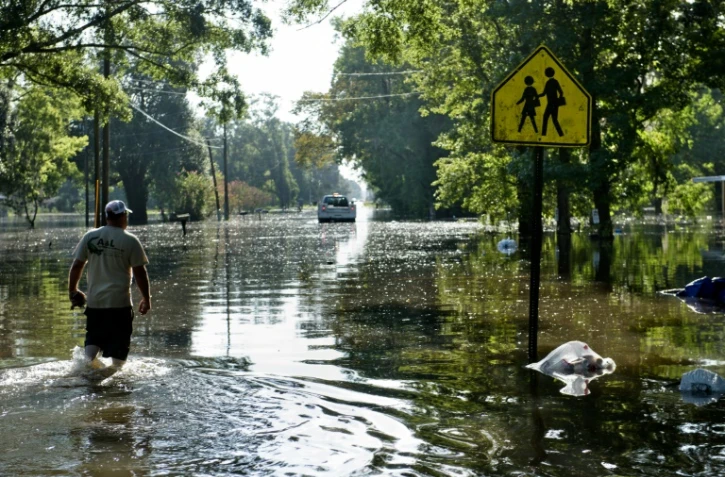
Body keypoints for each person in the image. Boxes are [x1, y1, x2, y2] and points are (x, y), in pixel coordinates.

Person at [68, 200, 151, 377]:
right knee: (119, 360)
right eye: (126, 215)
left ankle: (84, 369)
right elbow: (140, 273)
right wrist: (146, 298)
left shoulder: (90, 236)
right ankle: (112, 378)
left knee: (93, 341)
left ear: (107, 217)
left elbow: (77, 266)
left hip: (95, 304)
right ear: (122, 216)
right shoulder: (130, 240)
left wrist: (73, 290)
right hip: (119, 305)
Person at [539, 67, 565, 137]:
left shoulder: (549, 83)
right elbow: (561, 92)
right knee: (554, 119)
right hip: (554, 104)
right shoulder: (554, 81)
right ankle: (561, 134)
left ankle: (543, 134)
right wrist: (558, 101)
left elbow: (544, 93)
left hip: (551, 103)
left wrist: (537, 96)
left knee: (546, 117)